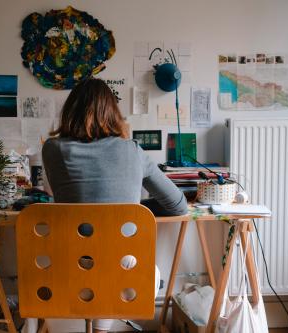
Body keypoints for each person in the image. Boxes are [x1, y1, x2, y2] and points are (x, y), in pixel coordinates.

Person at [42, 78, 187, 332]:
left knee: (96, 257)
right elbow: (178, 205)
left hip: (70, 266)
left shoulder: (52, 150)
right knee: (115, 260)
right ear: (113, 113)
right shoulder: (133, 150)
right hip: (127, 274)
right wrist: (135, 207)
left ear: (70, 111)